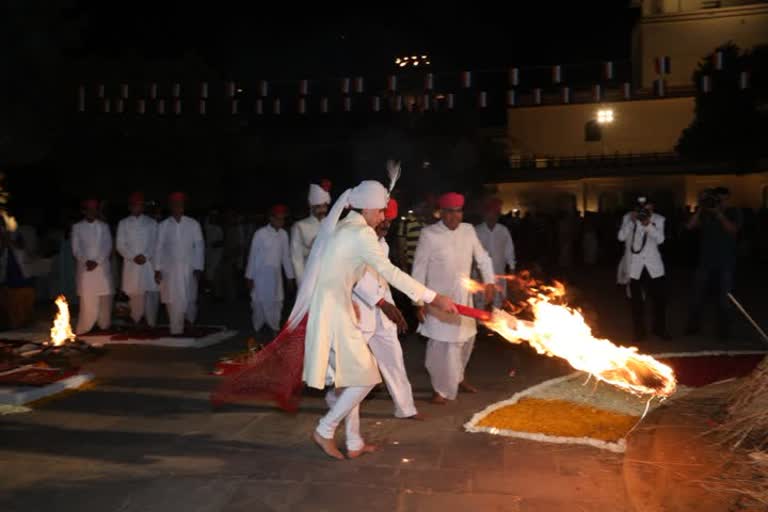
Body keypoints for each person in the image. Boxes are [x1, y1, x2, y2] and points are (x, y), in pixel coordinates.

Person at [289, 176, 457, 460]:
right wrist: (433, 297)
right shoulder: (360, 233)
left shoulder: (344, 226)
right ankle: (325, 429)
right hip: (333, 309)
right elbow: (390, 272)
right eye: (380, 210)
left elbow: (334, 272)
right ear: (366, 209)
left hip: (335, 306)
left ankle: (354, 442)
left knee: (355, 377)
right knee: (365, 377)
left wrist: (346, 299)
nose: (383, 216)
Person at [412, 192, 495, 404]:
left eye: (458, 212)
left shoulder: (468, 231)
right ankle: (439, 389)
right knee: (441, 347)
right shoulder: (429, 234)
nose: (454, 217)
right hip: (439, 302)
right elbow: (419, 270)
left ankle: (458, 378)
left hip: (464, 301)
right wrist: (418, 301)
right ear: (442, 213)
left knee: (466, 342)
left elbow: (483, 258)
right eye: (449, 212)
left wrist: (490, 282)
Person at [352, 198, 421, 420]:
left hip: (383, 314)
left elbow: (384, 279)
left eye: (389, 222)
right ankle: (337, 403)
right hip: (358, 314)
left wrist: (392, 308)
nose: (385, 226)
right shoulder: (356, 241)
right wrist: (383, 304)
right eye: (383, 220)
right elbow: (356, 279)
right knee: (352, 367)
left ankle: (406, 408)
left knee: (394, 359)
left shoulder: (384, 245)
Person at [685, 187, 742, 339]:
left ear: (728, 198)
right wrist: (701, 207)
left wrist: (719, 214)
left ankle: (723, 331)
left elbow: (733, 230)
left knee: (724, 298)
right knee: (697, 295)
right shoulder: (705, 212)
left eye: (723, 199)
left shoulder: (733, 212)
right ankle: (693, 326)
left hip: (726, 261)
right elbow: (689, 226)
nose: (720, 202)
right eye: (718, 199)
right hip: (705, 260)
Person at [617, 197, 668, 341]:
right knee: (636, 302)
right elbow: (621, 237)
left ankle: (660, 329)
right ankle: (639, 332)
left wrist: (647, 224)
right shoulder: (628, 218)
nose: (646, 211)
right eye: (643, 208)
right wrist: (630, 223)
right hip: (635, 267)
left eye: (649, 208)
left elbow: (660, 239)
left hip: (654, 267)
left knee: (659, 300)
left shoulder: (659, 219)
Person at [154, 192, 204, 335]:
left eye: (180, 204)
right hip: (169, 269)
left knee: (190, 297)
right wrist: (157, 269)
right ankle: (176, 329)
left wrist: (198, 267)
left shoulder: (193, 224)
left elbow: (199, 246)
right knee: (172, 299)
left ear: (184, 206)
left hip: (189, 268)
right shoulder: (163, 225)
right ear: (171, 206)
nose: (178, 207)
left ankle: (190, 322)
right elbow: (158, 247)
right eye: (175, 204)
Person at [245, 204, 295, 337]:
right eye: (279, 219)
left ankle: (275, 328)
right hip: (260, 277)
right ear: (271, 219)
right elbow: (252, 256)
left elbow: (286, 256)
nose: (281, 222)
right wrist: (249, 277)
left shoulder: (284, 234)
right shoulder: (260, 234)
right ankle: (257, 329)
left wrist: (290, 277)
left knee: (277, 302)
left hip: (276, 278)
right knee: (258, 304)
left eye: (283, 219)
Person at [116, 192, 159, 327]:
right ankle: (135, 323)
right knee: (134, 296)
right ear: (130, 207)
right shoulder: (123, 223)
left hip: (148, 265)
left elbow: (156, 243)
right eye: (135, 205)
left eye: (140, 205)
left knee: (151, 295)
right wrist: (133, 256)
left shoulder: (152, 223)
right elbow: (120, 245)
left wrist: (145, 256)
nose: (137, 207)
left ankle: (151, 324)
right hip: (131, 265)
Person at [72, 199, 114, 335]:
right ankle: (85, 329)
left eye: (94, 209)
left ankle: (104, 327)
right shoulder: (77, 227)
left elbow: (107, 246)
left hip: (101, 268)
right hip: (85, 269)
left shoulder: (104, 226)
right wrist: (86, 261)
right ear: (84, 211)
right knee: (87, 300)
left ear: (97, 211)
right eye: (88, 209)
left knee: (104, 300)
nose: (91, 212)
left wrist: (96, 261)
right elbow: (76, 249)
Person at [474, 197, 516, 309]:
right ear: (485, 214)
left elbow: (509, 250)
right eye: (490, 213)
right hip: (480, 274)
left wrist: (512, 268)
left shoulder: (503, 231)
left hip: (499, 272)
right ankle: (480, 325)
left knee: (498, 301)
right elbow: (472, 253)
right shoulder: (476, 231)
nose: (492, 216)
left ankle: (497, 323)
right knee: (481, 300)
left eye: (495, 214)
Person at [291, 182, 331, 285]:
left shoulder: (332, 223)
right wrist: (302, 285)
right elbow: (297, 259)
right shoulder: (300, 226)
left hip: (330, 278)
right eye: (318, 207)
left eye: (325, 206)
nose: (322, 210)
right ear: (311, 206)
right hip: (310, 278)